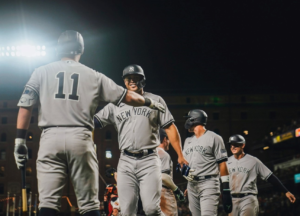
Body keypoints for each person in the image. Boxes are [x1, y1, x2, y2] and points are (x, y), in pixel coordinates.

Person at [13, 30, 165, 216]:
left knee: (48, 204)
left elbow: (25, 106)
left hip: (50, 138)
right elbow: (127, 97)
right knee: (89, 205)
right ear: (81, 50)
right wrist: (150, 102)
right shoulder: (93, 75)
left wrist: (20, 141)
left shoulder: (41, 72)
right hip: (81, 138)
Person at [94, 64, 188, 216]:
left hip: (149, 160)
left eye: (136, 78)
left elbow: (170, 127)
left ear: (143, 80)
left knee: (151, 209)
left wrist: (180, 155)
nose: (132, 81)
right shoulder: (115, 104)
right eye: (129, 78)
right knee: (126, 211)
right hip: (125, 160)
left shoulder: (155, 100)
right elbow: (95, 122)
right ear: (124, 81)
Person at [226, 134, 296, 216]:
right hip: (232, 199)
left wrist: (285, 191)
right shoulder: (226, 162)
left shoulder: (253, 161)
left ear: (243, 145)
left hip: (248, 198)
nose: (233, 147)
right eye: (231, 145)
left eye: (235, 145)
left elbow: (270, 176)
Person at [180, 109, 232, 215]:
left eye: (189, 118)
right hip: (192, 185)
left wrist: (226, 189)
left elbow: (222, 163)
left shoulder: (214, 138)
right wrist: (184, 173)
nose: (187, 121)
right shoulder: (187, 141)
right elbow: (188, 165)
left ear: (194, 119)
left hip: (209, 183)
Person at [157, 128, 185, 216]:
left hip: (151, 194)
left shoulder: (149, 155)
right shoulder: (163, 154)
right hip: (164, 192)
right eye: (168, 139)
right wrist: (177, 191)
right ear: (164, 139)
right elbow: (164, 177)